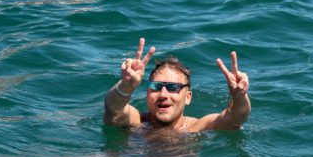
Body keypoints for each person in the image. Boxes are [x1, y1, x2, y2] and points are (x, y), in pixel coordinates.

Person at [104, 38, 251, 132]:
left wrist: (239, 97)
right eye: (156, 86)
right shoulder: (137, 122)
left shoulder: (196, 128)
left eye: (173, 87)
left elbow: (236, 119)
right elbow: (114, 110)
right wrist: (125, 86)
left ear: (188, 97)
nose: (163, 94)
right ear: (147, 92)